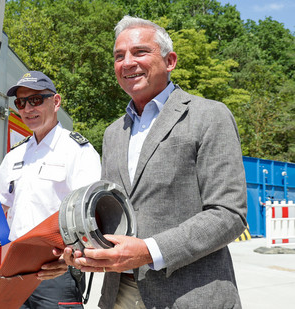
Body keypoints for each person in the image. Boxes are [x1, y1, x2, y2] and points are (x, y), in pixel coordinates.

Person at [61, 16, 248, 308]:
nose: (127, 62)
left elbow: (228, 214)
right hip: (118, 295)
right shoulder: (113, 133)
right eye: (119, 56)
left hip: (189, 296)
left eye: (140, 52)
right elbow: (113, 212)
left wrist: (149, 251)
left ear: (170, 60)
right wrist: (84, 247)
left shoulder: (209, 116)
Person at [0, 70, 102, 308]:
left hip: (56, 271)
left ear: (56, 101)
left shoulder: (78, 151)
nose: (27, 109)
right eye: (21, 102)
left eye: (36, 100)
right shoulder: (15, 155)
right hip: (15, 269)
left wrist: (71, 259)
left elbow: (90, 214)